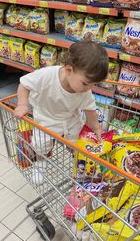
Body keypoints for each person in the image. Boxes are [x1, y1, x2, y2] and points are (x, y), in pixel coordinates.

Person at [14, 41, 109, 184]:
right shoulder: (47, 75)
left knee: (77, 143)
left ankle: (79, 163)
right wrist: (22, 104)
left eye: (93, 84)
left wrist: (96, 128)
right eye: (86, 83)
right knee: (41, 144)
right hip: (46, 117)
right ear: (69, 70)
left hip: (70, 118)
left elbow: (90, 110)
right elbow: (24, 84)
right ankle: (40, 163)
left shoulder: (84, 90)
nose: (89, 88)